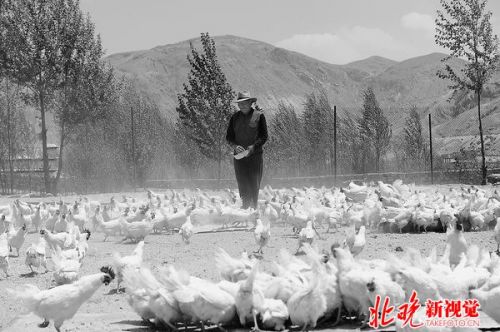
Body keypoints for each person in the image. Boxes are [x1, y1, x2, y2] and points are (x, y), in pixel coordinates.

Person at [226, 91, 268, 209]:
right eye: (240, 103)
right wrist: (235, 146)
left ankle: (254, 211)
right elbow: (229, 137)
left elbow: (264, 136)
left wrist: (253, 147)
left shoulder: (258, 115)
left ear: (251, 103)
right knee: (242, 183)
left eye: (245, 103)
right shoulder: (234, 118)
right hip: (239, 157)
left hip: (255, 156)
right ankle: (245, 210)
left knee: (254, 184)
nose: (242, 106)